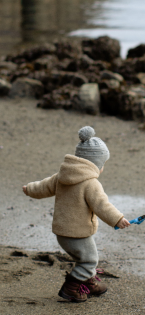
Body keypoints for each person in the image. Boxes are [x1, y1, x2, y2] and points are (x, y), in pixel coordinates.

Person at [22, 126, 130, 303]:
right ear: (94, 164)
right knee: (89, 260)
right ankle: (71, 288)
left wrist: (29, 189)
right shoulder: (91, 184)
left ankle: (88, 283)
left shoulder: (61, 176)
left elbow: (43, 186)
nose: (102, 169)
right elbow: (102, 205)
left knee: (85, 257)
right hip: (78, 234)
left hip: (62, 233)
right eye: (102, 165)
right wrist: (117, 219)